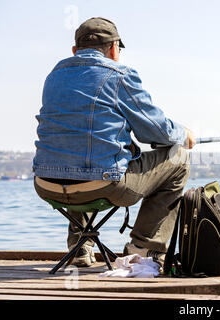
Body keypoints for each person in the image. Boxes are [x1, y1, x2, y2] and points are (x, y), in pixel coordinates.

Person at [33, 17, 196, 270]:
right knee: (179, 158)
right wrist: (184, 135)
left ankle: (80, 247)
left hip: (46, 185)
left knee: (78, 153)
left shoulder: (54, 76)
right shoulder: (120, 75)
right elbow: (155, 131)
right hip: (102, 184)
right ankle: (143, 248)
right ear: (114, 48)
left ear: (75, 51)